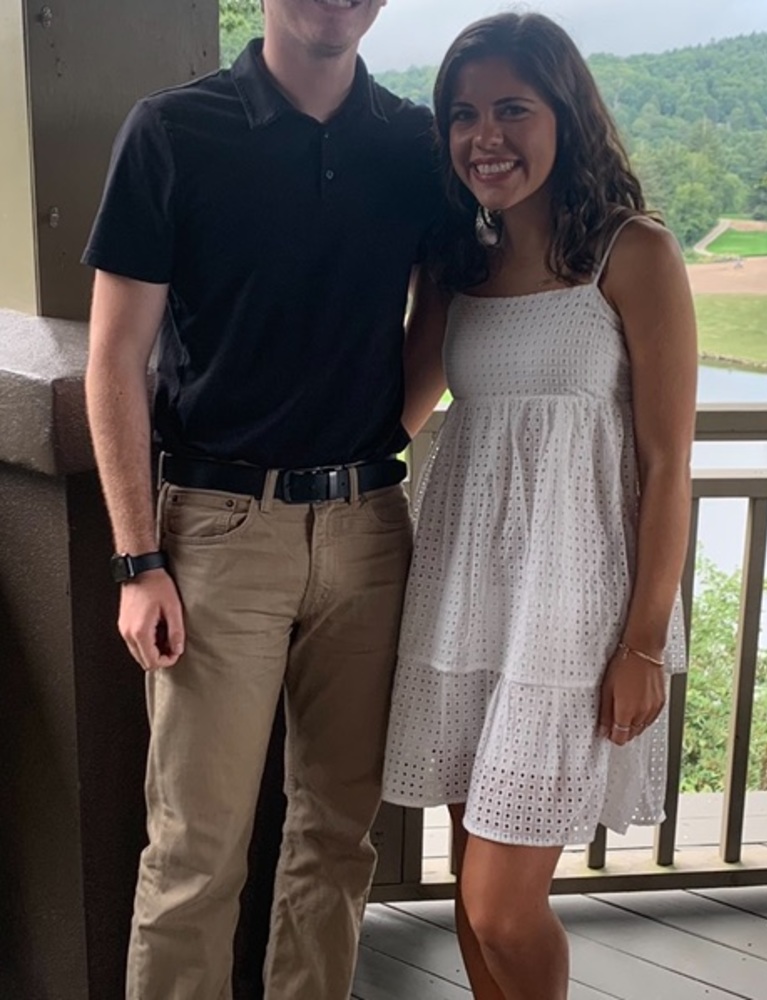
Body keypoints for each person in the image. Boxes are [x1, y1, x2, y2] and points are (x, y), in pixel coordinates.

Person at [82, 2, 442, 997]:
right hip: (214, 531)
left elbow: (441, 314)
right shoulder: (172, 131)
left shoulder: (412, 142)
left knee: (336, 843)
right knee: (196, 852)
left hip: (370, 530)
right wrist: (137, 557)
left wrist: (375, 441)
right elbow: (113, 360)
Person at [382, 12, 697, 1000]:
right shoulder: (456, 267)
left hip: (571, 616)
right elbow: (399, 408)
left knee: (500, 906)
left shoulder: (630, 252)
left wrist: (642, 642)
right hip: (467, 598)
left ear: (565, 112)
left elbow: (666, 461)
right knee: (471, 897)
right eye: (463, 114)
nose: (487, 135)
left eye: (513, 108)